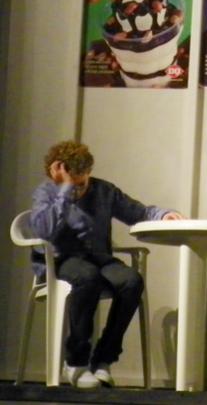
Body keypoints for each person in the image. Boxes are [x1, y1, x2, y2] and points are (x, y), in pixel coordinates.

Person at [30, 140, 184, 389]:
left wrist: (163, 214)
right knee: (87, 277)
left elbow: (138, 212)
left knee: (131, 281)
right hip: (60, 260)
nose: (78, 191)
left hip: (97, 258)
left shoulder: (103, 191)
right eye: (73, 184)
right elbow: (45, 231)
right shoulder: (46, 193)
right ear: (55, 172)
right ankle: (76, 362)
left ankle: (103, 359)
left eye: (82, 185)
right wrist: (64, 191)